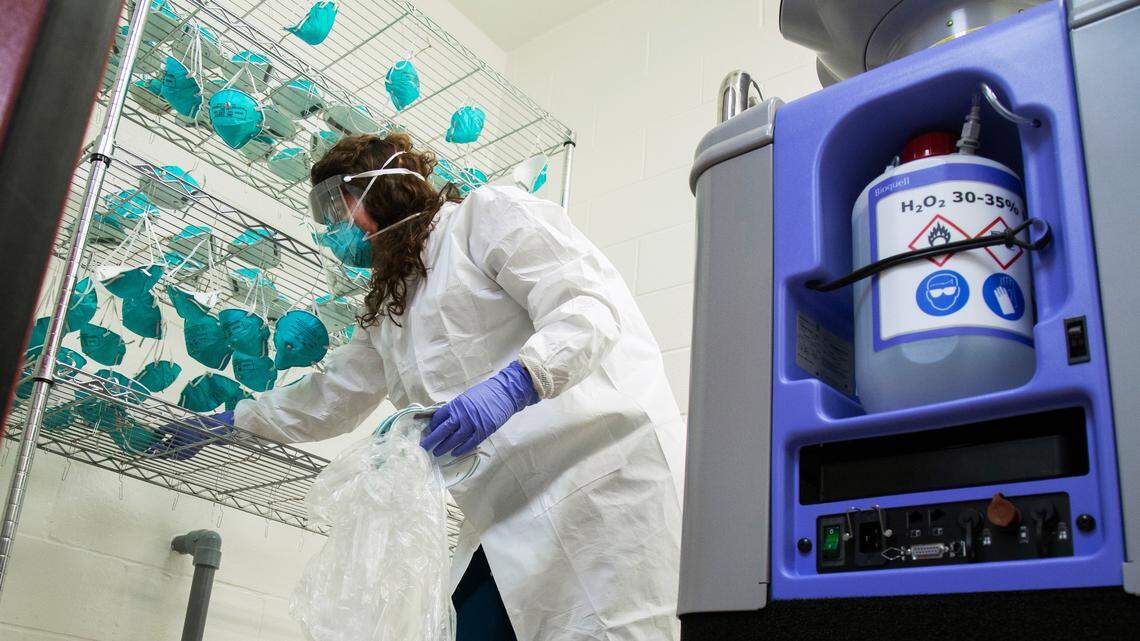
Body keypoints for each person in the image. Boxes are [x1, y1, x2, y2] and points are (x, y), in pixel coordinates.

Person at [162, 133, 685, 640]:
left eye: (337, 211)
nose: (334, 232)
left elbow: (588, 307)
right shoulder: (390, 307)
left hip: (601, 483)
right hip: (507, 518)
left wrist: (514, 385)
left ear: (380, 189)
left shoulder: (485, 217)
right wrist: (236, 422)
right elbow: (331, 397)